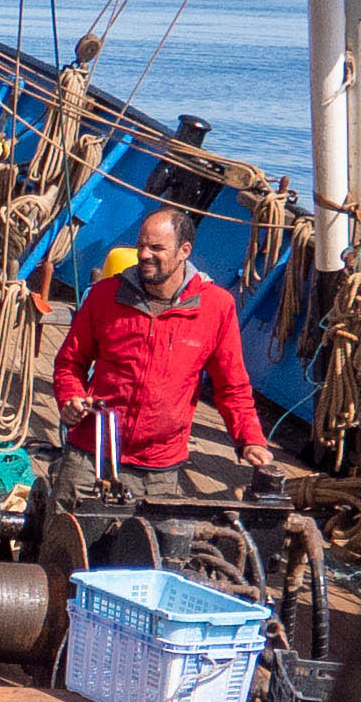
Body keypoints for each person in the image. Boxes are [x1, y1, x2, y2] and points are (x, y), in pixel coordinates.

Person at [51, 203, 269, 497]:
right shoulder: (105, 296)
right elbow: (70, 362)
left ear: (184, 251)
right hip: (90, 451)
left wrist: (250, 439)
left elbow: (232, 387)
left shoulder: (216, 307)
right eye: (140, 246)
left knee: (150, 541)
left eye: (156, 248)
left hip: (160, 465)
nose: (144, 255)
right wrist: (70, 398)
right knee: (66, 536)